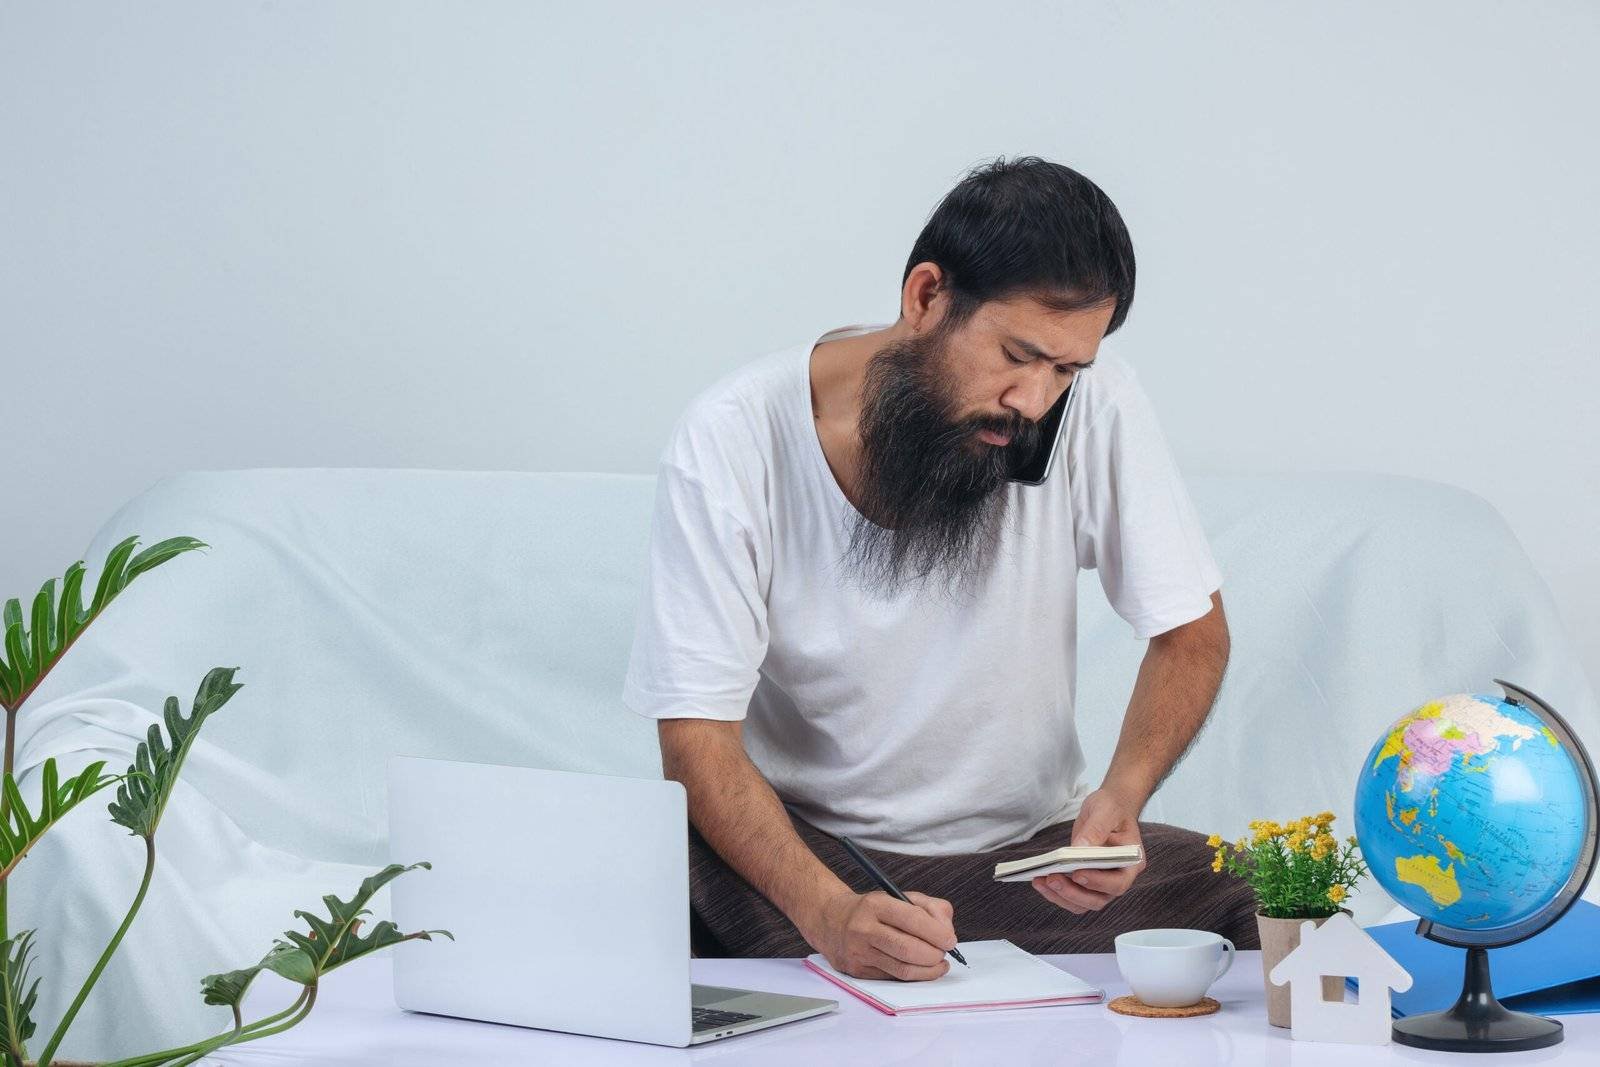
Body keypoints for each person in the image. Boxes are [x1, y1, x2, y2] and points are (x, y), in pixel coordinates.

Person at [622, 155, 1257, 982]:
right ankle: (861, 945)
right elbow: (695, 738)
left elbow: (1192, 633)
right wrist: (828, 912)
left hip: (1023, 867)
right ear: (925, 297)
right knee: (654, 874)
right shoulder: (731, 436)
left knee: (1250, 892)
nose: (1034, 400)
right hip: (809, 857)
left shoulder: (1092, 406)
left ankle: (904, 954)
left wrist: (1121, 797)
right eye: (1018, 354)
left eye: (1066, 369)